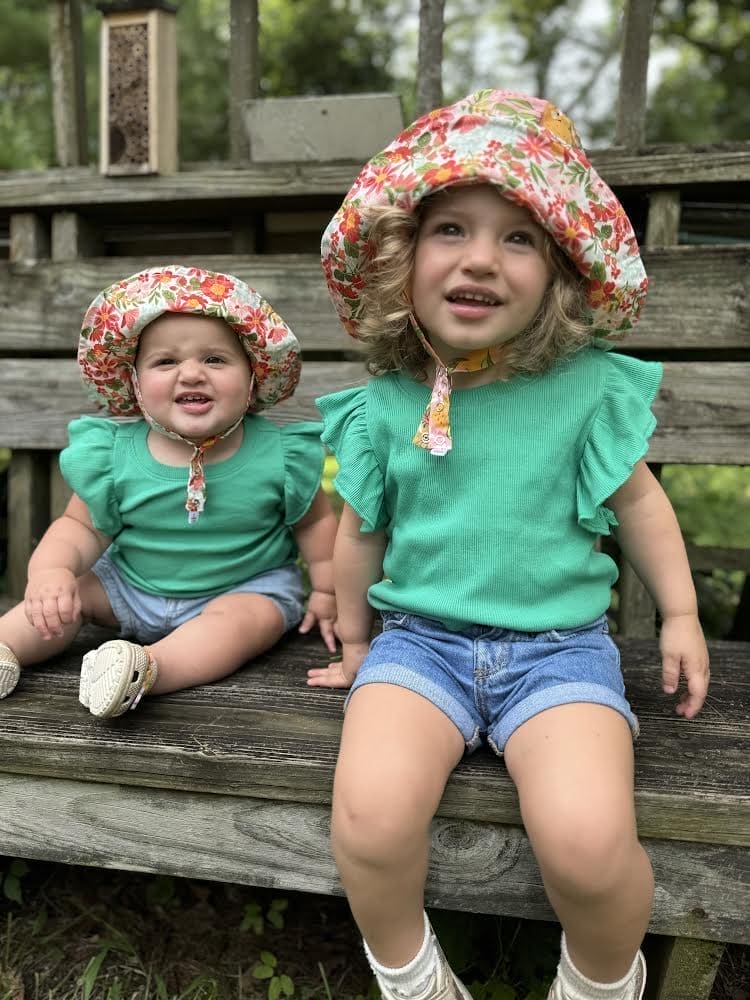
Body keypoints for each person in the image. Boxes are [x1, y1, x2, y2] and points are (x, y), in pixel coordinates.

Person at [307, 91, 710, 1000]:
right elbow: (361, 529)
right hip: (420, 647)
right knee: (370, 817)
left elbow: (643, 507)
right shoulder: (384, 402)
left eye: (519, 237)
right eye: (451, 228)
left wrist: (680, 613)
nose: (481, 258)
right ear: (400, 263)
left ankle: (602, 979)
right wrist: (361, 642)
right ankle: (411, 975)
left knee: (588, 840)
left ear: (561, 272)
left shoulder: (584, 389)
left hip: (558, 653)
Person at [0, 265, 337, 719]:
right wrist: (51, 571)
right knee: (61, 601)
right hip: (128, 585)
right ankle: (6, 648)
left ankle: (147, 670)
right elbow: (78, 527)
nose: (192, 373)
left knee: (241, 625)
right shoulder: (115, 456)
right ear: (134, 384)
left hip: (240, 586)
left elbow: (316, 524)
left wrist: (329, 591)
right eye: (166, 361)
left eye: (215, 359)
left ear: (254, 377)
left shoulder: (280, 454)